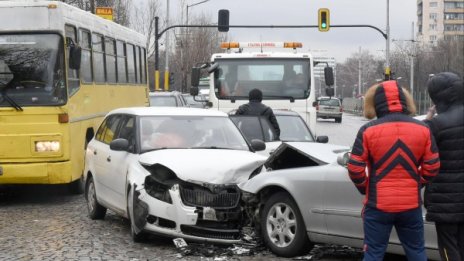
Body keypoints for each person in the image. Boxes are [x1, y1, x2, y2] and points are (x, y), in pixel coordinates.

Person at [347, 80, 440, 261]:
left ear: (375, 103)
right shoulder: (423, 129)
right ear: (406, 101)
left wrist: (366, 188)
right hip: (410, 206)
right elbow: (433, 165)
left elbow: (355, 167)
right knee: (417, 252)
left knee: (373, 253)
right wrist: (417, 183)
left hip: (378, 206)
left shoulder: (368, 130)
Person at [423, 72, 464, 261]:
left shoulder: (436, 125)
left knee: (448, 247)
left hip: (445, 200)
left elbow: (419, 146)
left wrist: (429, 117)